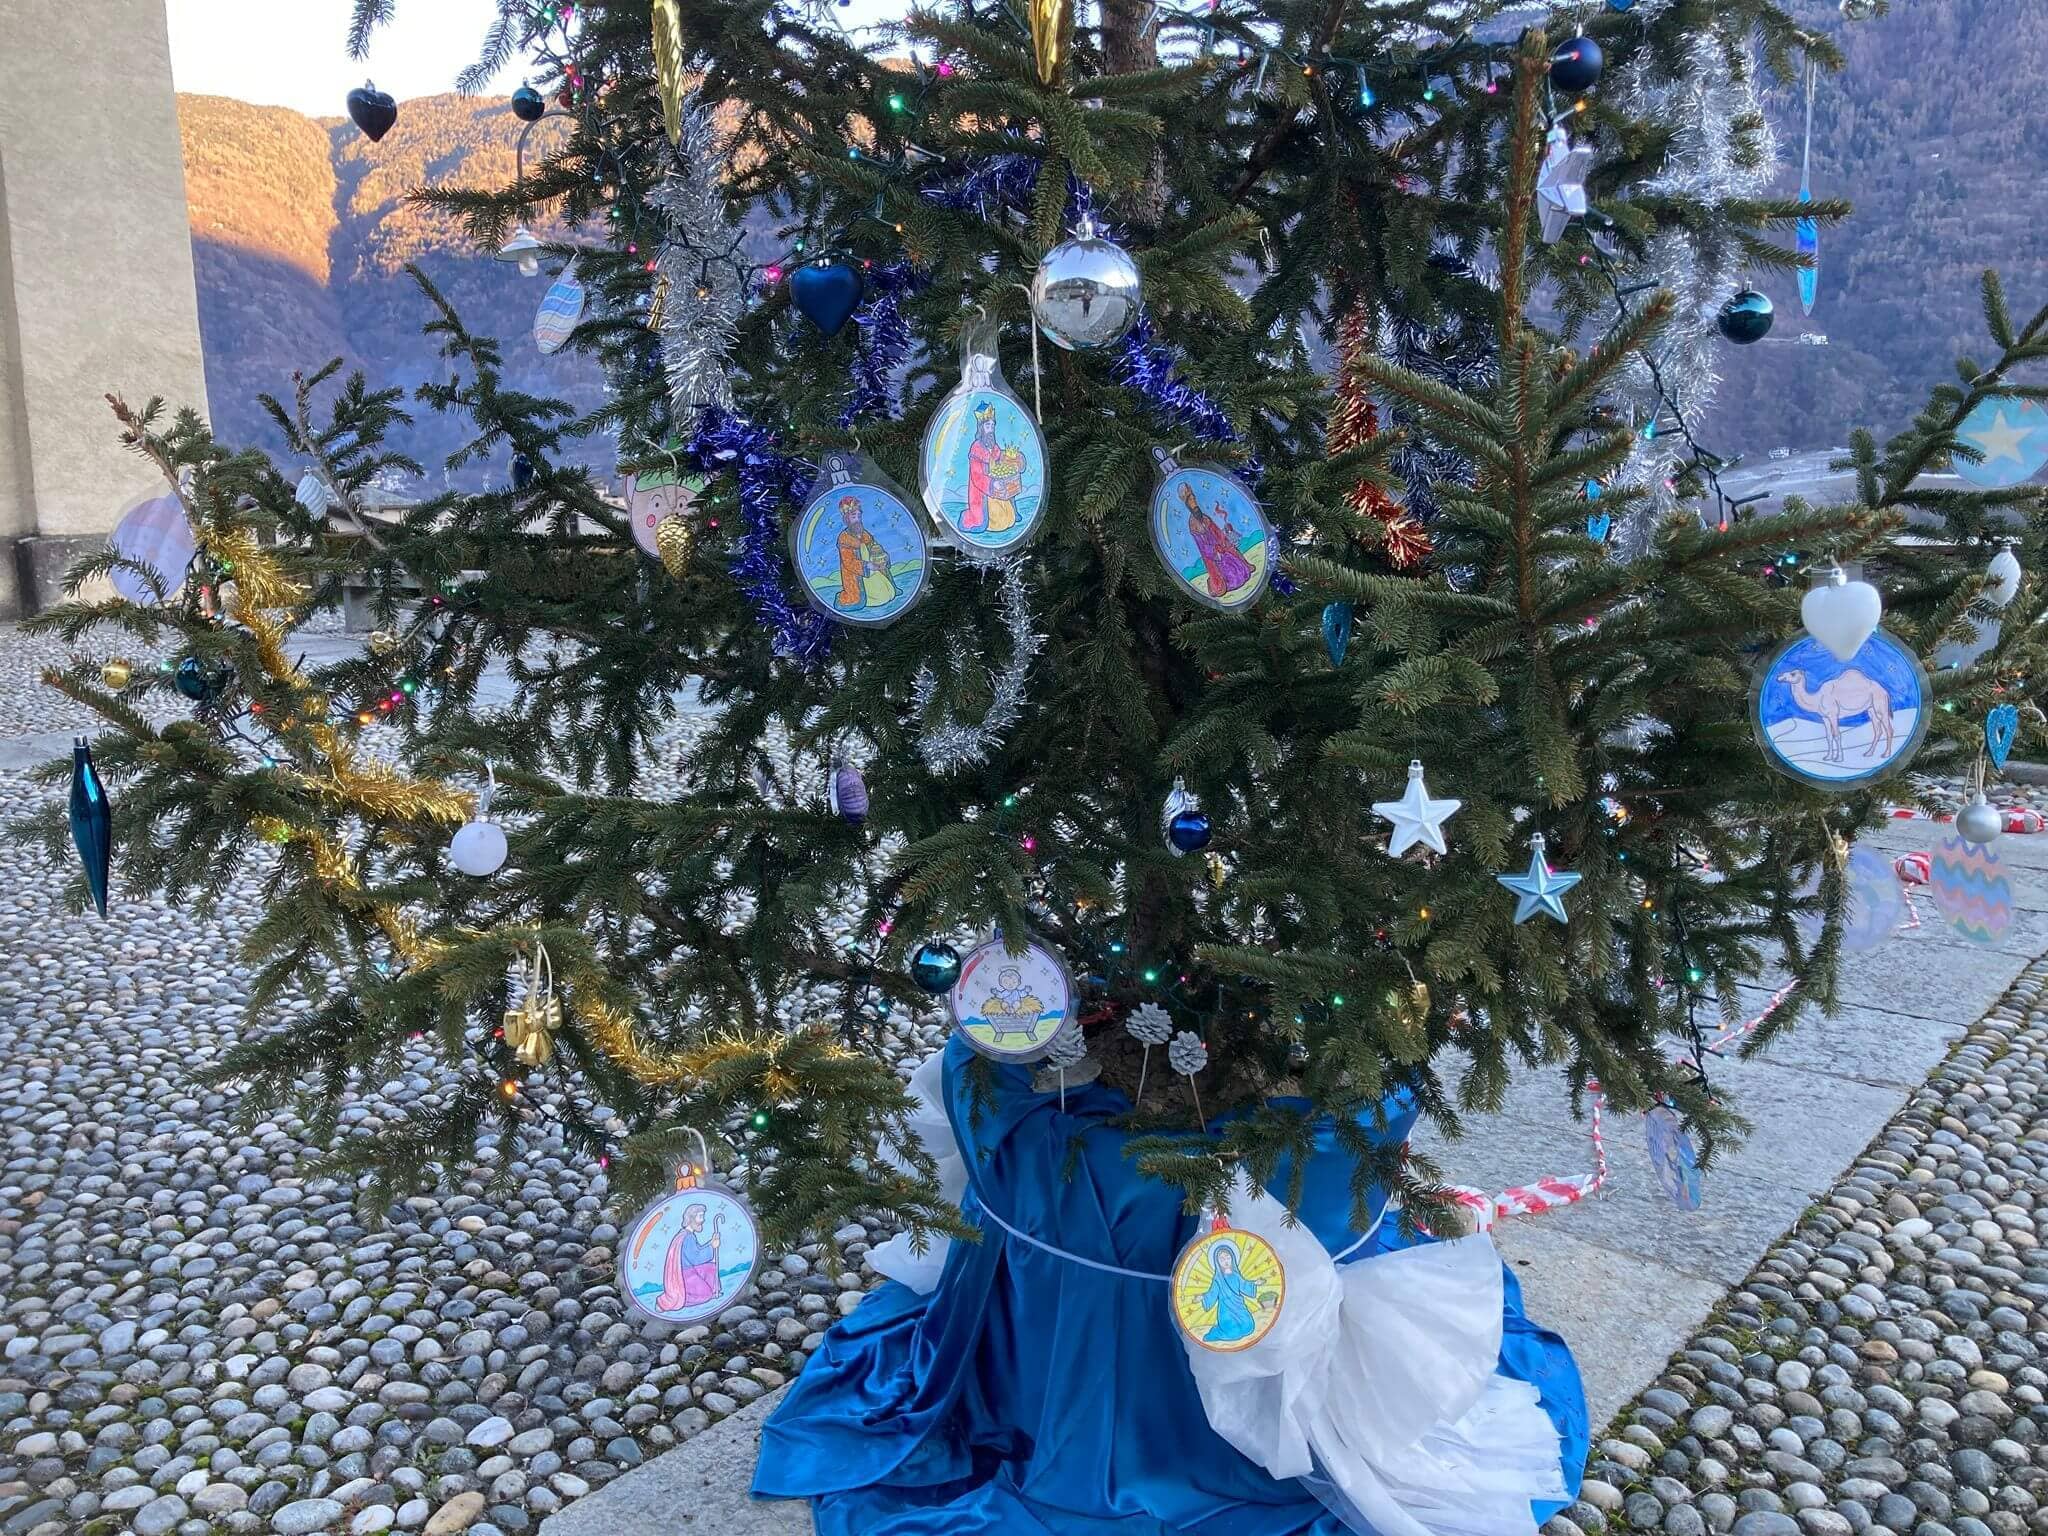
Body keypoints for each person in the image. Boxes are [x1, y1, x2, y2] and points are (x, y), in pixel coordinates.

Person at [1178, 482, 1255, 597]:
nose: (1194, 503)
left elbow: (1217, 532)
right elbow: (1202, 545)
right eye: (1191, 500)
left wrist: (1223, 542)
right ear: (1188, 504)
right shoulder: (1193, 524)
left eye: (1194, 499)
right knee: (1228, 573)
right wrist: (1214, 550)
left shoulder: (1205, 517)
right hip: (1213, 554)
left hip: (1221, 547)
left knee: (1238, 566)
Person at [657, 1201, 724, 1311]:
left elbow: (697, 1252)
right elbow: (696, 1258)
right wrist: (712, 1246)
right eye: (700, 1217)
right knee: (705, 1294)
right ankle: (684, 1298)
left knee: (710, 1268)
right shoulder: (687, 1237)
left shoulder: (687, 1235)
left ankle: (713, 1291)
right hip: (685, 1275)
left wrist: (711, 1243)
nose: (703, 1220)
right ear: (691, 1219)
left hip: (690, 1270)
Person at [1197, 1238, 1265, 1344]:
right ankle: (1216, 1332)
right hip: (1226, 1310)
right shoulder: (1218, 1279)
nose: (1226, 1261)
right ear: (1217, 1262)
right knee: (1233, 1332)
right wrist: (1203, 1297)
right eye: (1222, 1259)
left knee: (1249, 1327)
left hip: (1239, 1306)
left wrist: (1255, 1283)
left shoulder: (1236, 1275)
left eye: (1228, 1257)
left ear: (1232, 1258)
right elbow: (1212, 1293)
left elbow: (1244, 1285)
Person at [833, 495, 895, 610]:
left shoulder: (864, 533)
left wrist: (882, 556)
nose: (857, 520)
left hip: (874, 572)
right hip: (859, 577)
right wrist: (867, 565)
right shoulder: (844, 538)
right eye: (853, 516)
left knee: (890, 593)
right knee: (881, 597)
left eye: (859, 516)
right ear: (846, 518)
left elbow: (875, 548)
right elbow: (848, 562)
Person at [963, 403, 998, 532]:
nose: (991, 429)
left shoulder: (993, 446)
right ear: (981, 428)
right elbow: (976, 476)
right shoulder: (976, 448)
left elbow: (999, 457)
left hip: (995, 488)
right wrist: (992, 484)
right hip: (981, 491)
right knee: (981, 521)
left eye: (992, 426)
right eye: (987, 426)